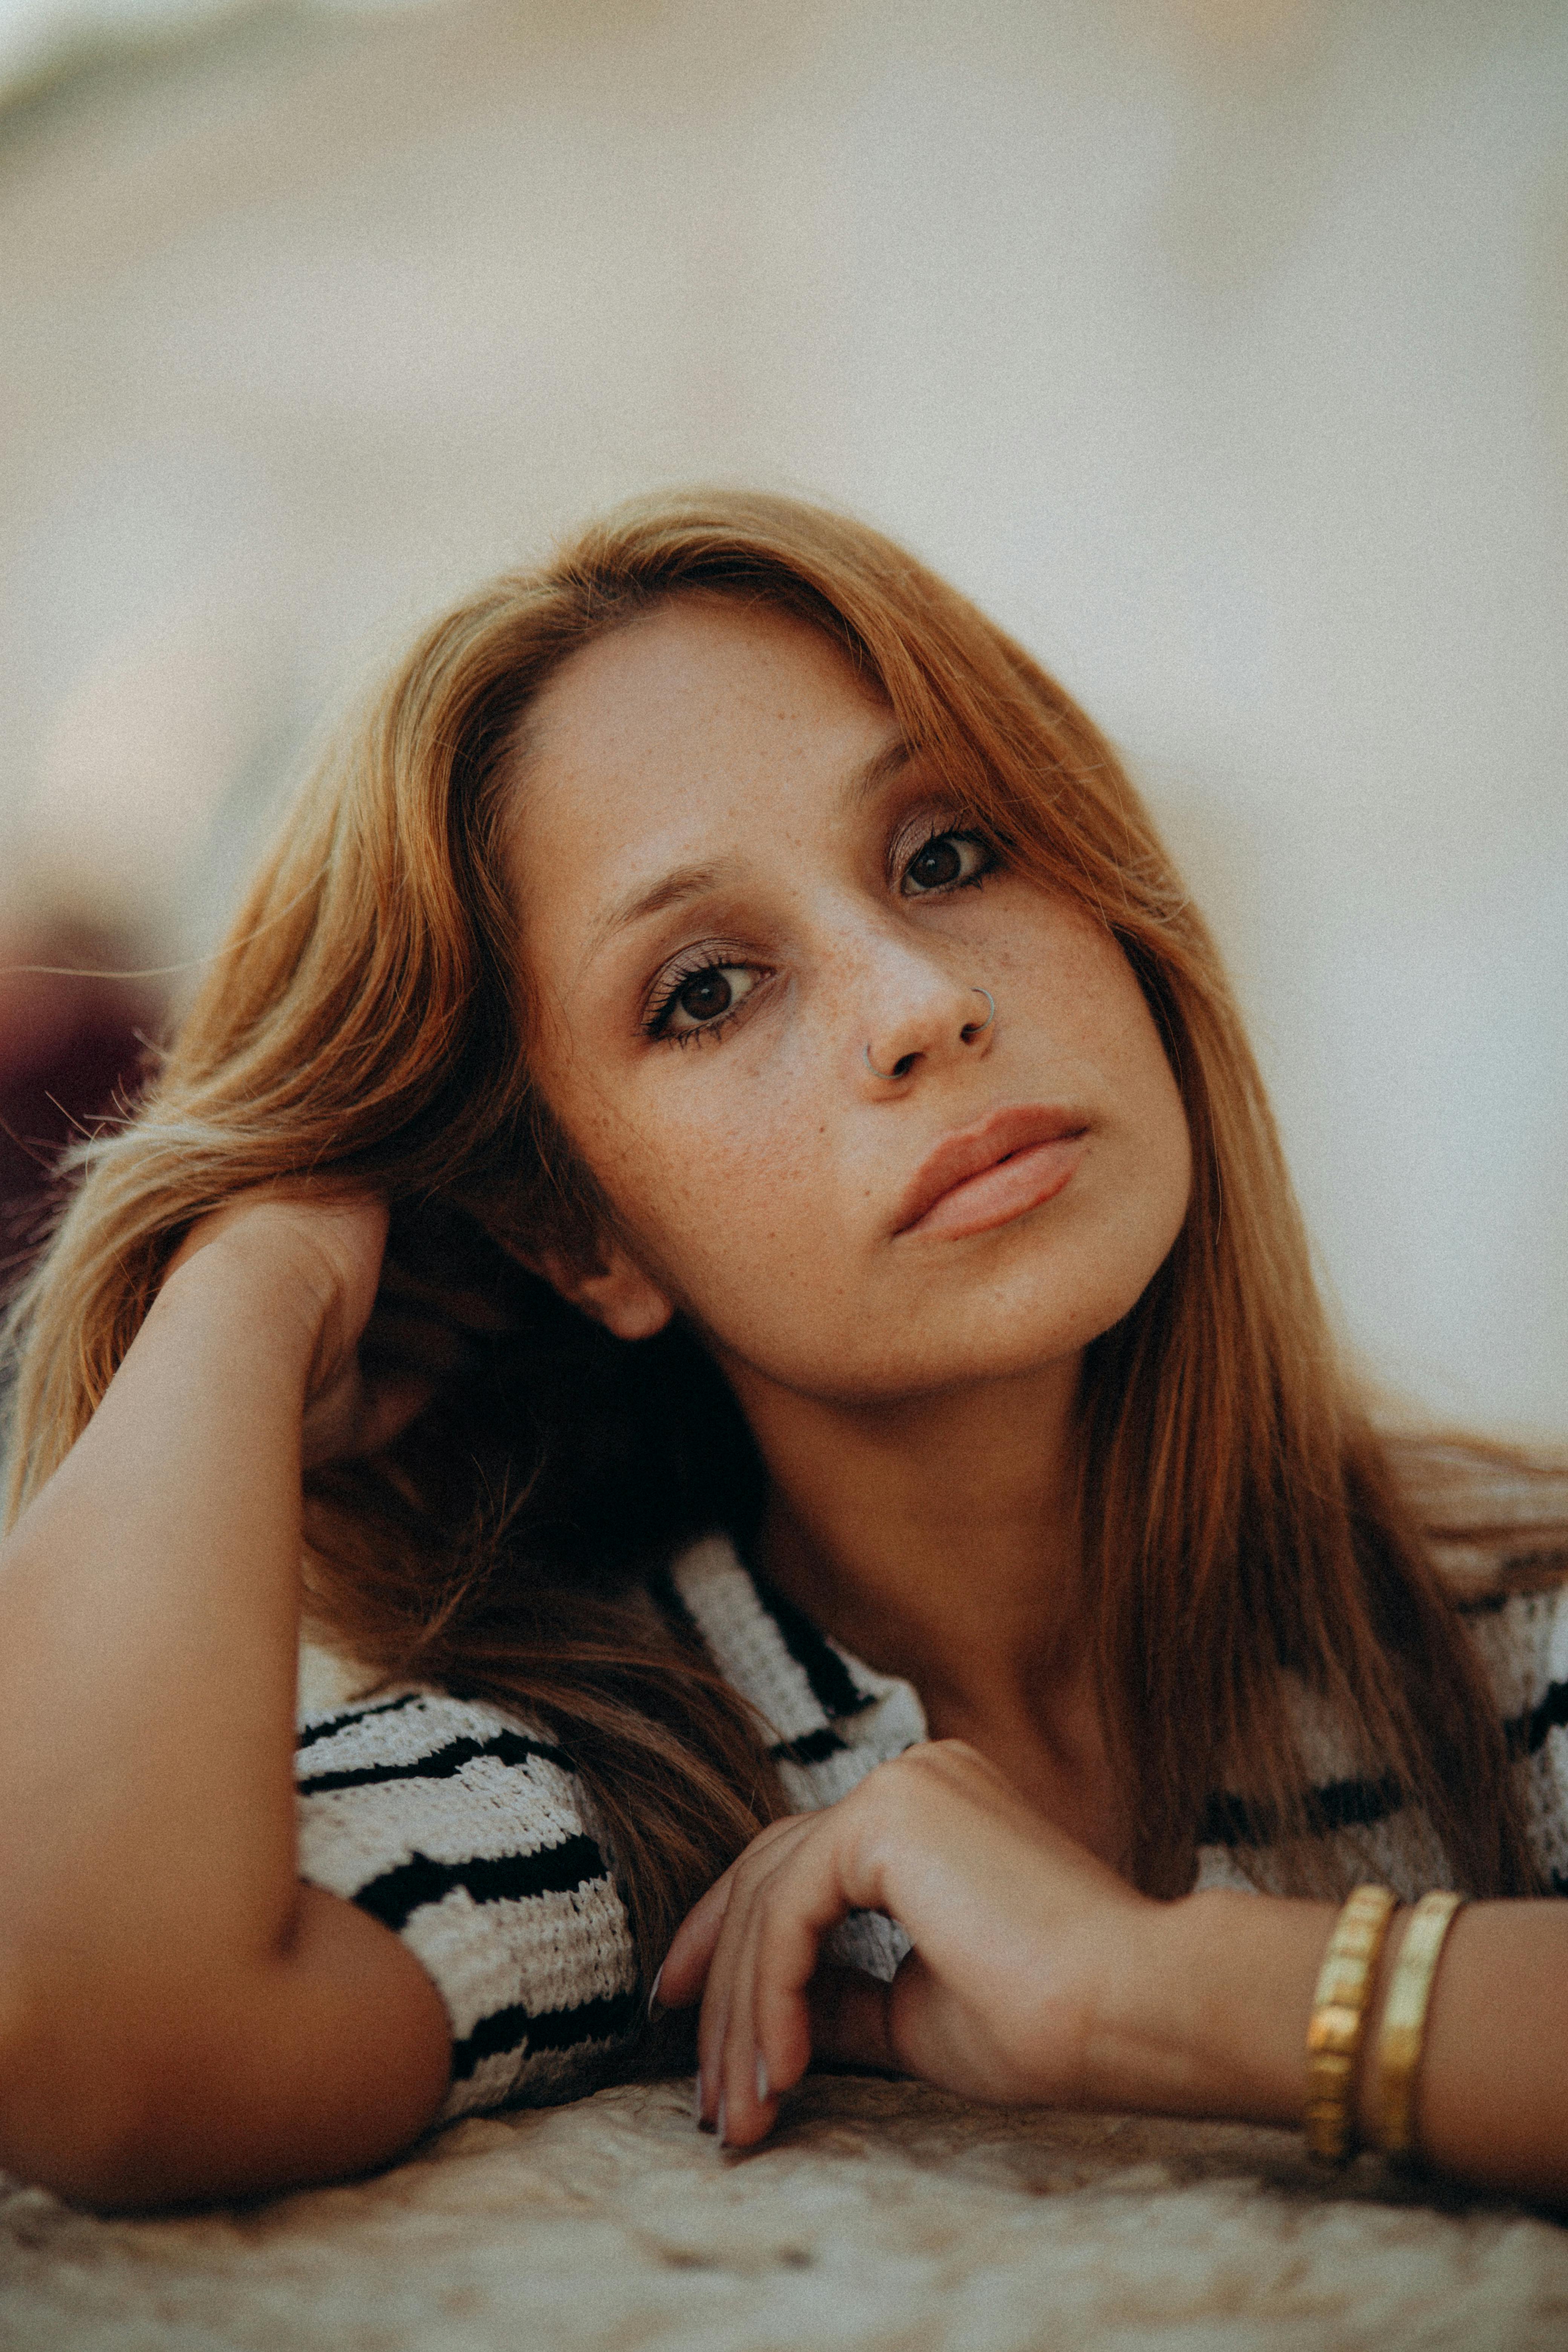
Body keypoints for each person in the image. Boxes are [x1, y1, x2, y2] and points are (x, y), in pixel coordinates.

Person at [0, 492, 1562, 2214]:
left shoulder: (1503, 1634)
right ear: (579, 1239)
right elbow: (95, 2046)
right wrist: (248, 1279)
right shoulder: (638, 1785)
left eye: (947, 854)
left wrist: (1143, 1993)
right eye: (705, 991)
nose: (917, 1005)